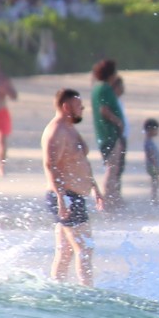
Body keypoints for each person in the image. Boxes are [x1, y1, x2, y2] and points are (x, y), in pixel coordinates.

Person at [41, 88, 104, 285]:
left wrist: (94, 188)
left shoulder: (69, 127)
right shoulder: (56, 131)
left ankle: (56, 289)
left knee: (66, 250)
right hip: (66, 196)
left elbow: (79, 163)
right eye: (79, 106)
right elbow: (50, 165)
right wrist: (61, 198)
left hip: (74, 195)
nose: (83, 108)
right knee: (85, 248)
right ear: (66, 106)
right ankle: (88, 293)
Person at [92, 58, 127, 210]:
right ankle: (108, 201)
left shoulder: (97, 88)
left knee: (112, 168)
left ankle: (112, 199)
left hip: (104, 134)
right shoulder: (105, 88)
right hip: (109, 134)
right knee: (112, 168)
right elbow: (104, 110)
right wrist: (118, 122)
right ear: (110, 74)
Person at [143, 117, 159, 203]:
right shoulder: (148, 142)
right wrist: (155, 164)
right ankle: (154, 197)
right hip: (152, 165)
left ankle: (154, 197)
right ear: (150, 130)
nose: (157, 131)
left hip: (153, 165)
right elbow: (150, 154)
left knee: (155, 181)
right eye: (156, 129)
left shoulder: (149, 141)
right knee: (155, 181)